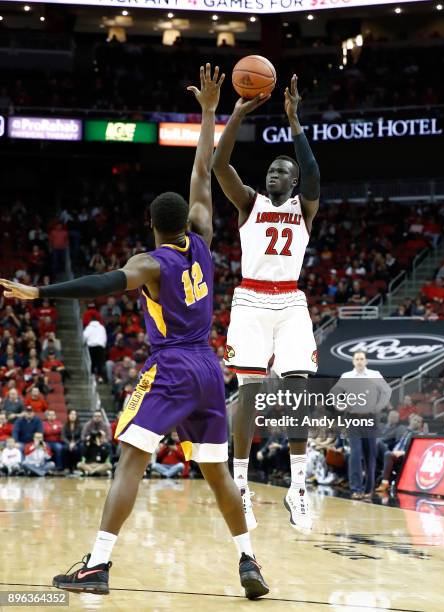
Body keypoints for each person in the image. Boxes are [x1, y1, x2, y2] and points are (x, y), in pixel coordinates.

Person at [0, 64, 268, 599]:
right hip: (210, 370)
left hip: (171, 366)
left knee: (131, 461)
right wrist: (214, 111)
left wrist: (41, 293)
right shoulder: (203, 240)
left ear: (152, 225)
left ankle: (97, 565)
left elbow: (102, 283)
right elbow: (201, 174)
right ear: (186, 222)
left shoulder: (150, 263)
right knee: (217, 475)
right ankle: (248, 559)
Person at [213, 74, 320, 532]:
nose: (273, 175)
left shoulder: (304, 208)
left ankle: (297, 488)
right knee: (249, 395)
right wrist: (236, 113)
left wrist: (295, 122)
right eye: (270, 171)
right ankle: (241, 483)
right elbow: (220, 165)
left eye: (282, 172)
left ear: (293, 181)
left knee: (298, 390)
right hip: (252, 300)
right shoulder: (249, 204)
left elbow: (315, 174)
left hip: (291, 301)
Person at [338, 351, 392, 500]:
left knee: (370, 454)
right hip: (353, 419)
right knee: (355, 453)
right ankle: (356, 489)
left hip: (370, 418)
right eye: (357, 359)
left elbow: (387, 391)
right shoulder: (346, 376)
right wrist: (342, 405)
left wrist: (378, 407)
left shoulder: (374, 374)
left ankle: (368, 490)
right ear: (353, 362)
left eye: (362, 359)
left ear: (366, 361)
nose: (360, 361)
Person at [83, 316, 108, 383]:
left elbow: (85, 336)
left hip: (92, 346)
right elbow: (104, 337)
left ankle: (92, 376)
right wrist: (103, 345)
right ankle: (100, 378)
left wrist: (84, 343)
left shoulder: (89, 327)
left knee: (92, 362)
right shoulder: (101, 327)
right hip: (100, 346)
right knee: (100, 363)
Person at [61, 409, 82, 473]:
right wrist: (69, 443)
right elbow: (63, 437)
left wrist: (74, 443)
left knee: (79, 449)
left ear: (76, 416)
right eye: (71, 414)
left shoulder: (80, 426)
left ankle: (76, 467)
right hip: (67, 442)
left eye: (74, 414)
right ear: (68, 416)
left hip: (77, 443)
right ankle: (66, 467)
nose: (73, 416)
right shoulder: (65, 425)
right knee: (64, 449)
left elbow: (81, 437)